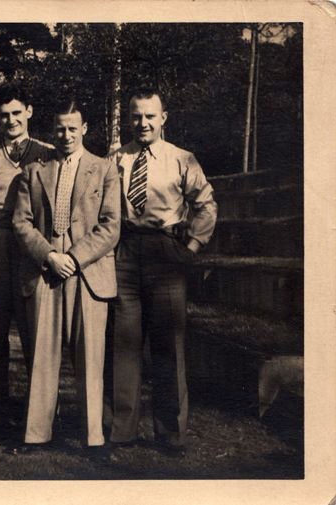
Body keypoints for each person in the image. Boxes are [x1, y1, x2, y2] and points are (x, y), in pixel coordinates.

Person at [108, 88, 217, 457]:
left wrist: (192, 248)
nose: (143, 123)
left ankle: (170, 432)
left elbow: (205, 206)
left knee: (168, 344)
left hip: (166, 251)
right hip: (125, 251)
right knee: (124, 344)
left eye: (150, 116)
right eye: (137, 116)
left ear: (163, 118)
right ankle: (122, 431)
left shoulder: (181, 159)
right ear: (129, 118)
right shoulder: (116, 158)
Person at [10, 98, 120, 460]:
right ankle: (37, 433)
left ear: (85, 129)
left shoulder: (104, 169)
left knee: (90, 357)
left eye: (73, 128)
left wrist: (73, 257)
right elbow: (21, 223)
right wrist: (50, 256)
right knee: (42, 354)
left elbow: (111, 226)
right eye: (60, 128)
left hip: (87, 272)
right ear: (52, 130)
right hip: (46, 271)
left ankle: (93, 438)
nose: (66, 134)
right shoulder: (34, 170)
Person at [0, 85, 54, 411]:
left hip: (33, 246)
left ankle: (40, 412)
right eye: (4, 115)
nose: (11, 120)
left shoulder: (47, 152)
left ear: (29, 112)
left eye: (17, 113)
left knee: (36, 327)